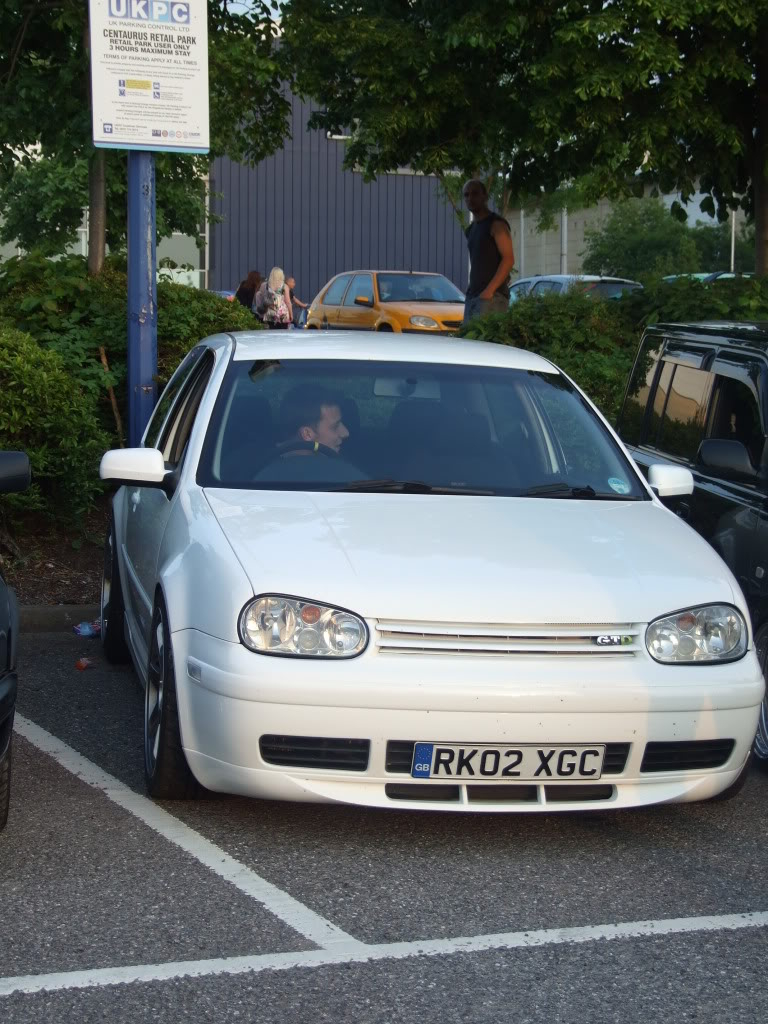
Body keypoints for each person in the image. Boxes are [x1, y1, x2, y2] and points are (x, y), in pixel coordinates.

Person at [462, 179, 515, 325]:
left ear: (485, 196)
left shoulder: (496, 224)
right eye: (466, 195)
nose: (470, 198)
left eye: (474, 193)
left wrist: (489, 291)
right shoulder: (471, 229)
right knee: (468, 344)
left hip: (493, 298)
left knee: (487, 344)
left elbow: (508, 259)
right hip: (473, 296)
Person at [277, 385, 350, 455]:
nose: (346, 433)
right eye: (335, 426)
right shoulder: (269, 464)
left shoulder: (339, 463)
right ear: (307, 434)